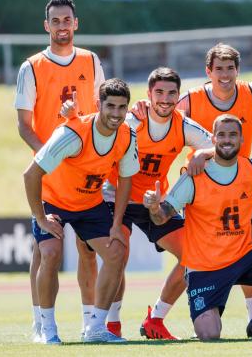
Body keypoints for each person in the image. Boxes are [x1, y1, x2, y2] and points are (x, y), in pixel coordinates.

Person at [67, 67, 215, 339]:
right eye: (159, 92)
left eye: (172, 93)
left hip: (155, 202)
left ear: (178, 95)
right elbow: (100, 131)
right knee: (117, 253)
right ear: (148, 94)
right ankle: (110, 325)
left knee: (194, 254)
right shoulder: (133, 120)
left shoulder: (183, 124)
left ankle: (156, 320)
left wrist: (202, 154)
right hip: (115, 196)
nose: (165, 98)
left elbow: (220, 144)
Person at [142, 114, 252, 340]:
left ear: (241, 139)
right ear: (213, 139)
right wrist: (152, 207)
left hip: (243, 257)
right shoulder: (194, 176)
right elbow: (161, 218)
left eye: (233, 135)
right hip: (205, 268)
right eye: (221, 135)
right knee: (209, 334)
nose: (227, 140)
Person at [15, 0, 104, 342]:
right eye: (56, 20)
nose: (62, 25)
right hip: (49, 177)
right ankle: (43, 325)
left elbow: (99, 114)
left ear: (76, 23)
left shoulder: (91, 60)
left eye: (67, 19)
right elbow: (24, 125)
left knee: (88, 251)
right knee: (46, 250)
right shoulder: (31, 66)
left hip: (85, 174)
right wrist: (47, 157)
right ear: (46, 26)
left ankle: (89, 325)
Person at [23, 78, 139, 343]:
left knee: (116, 252)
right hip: (53, 201)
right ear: (99, 105)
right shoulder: (72, 133)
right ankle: (46, 328)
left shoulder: (127, 134)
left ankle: (95, 329)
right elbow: (31, 174)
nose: (116, 113)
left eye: (122, 107)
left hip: (89, 203)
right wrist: (40, 217)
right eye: (110, 106)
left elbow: (126, 180)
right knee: (50, 254)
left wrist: (116, 223)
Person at [177, 43, 252, 319]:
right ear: (208, 71)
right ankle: (158, 314)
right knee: (190, 254)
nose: (225, 74)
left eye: (230, 68)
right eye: (219, 69)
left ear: (238, 70)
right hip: (200, 188)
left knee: (247, 246)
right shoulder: (191, 99)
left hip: (239, 184)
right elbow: (165, 116)